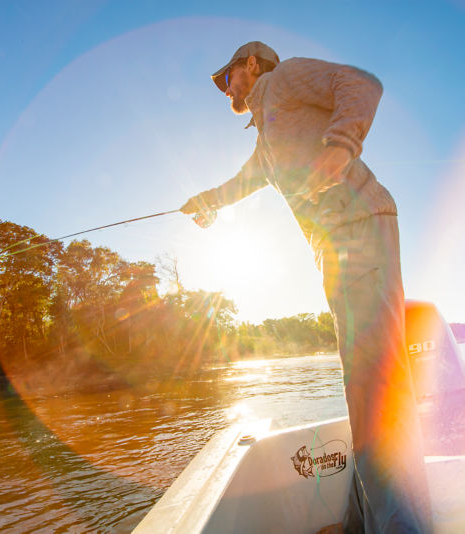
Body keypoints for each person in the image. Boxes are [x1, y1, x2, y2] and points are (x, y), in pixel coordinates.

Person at [180, 41, 432, 533]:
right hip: (336, 247)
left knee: (375, 385)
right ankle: (364, 522)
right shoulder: (267, 136)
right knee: (361, 387)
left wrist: (340, 147)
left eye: (226, 75)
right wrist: (206, 201)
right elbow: (243, 182)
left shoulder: (285, 79)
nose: (224, 87)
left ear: (251, 64)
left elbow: (360, 85)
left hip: (357, 225)